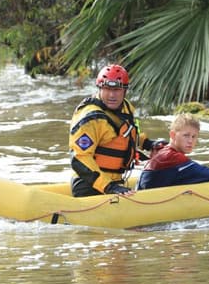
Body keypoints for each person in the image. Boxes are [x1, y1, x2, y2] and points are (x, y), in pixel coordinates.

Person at [69, 64, 165, 197]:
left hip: (114, 182)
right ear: (100, 88)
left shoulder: (125, 107)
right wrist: (109, 187)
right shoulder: (92, 119)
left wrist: (148, 144)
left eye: (117, 89)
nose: (112, 95)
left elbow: (127, 136)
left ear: (125, 90)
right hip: (90, 187)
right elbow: (79, 159)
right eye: (107, 89)